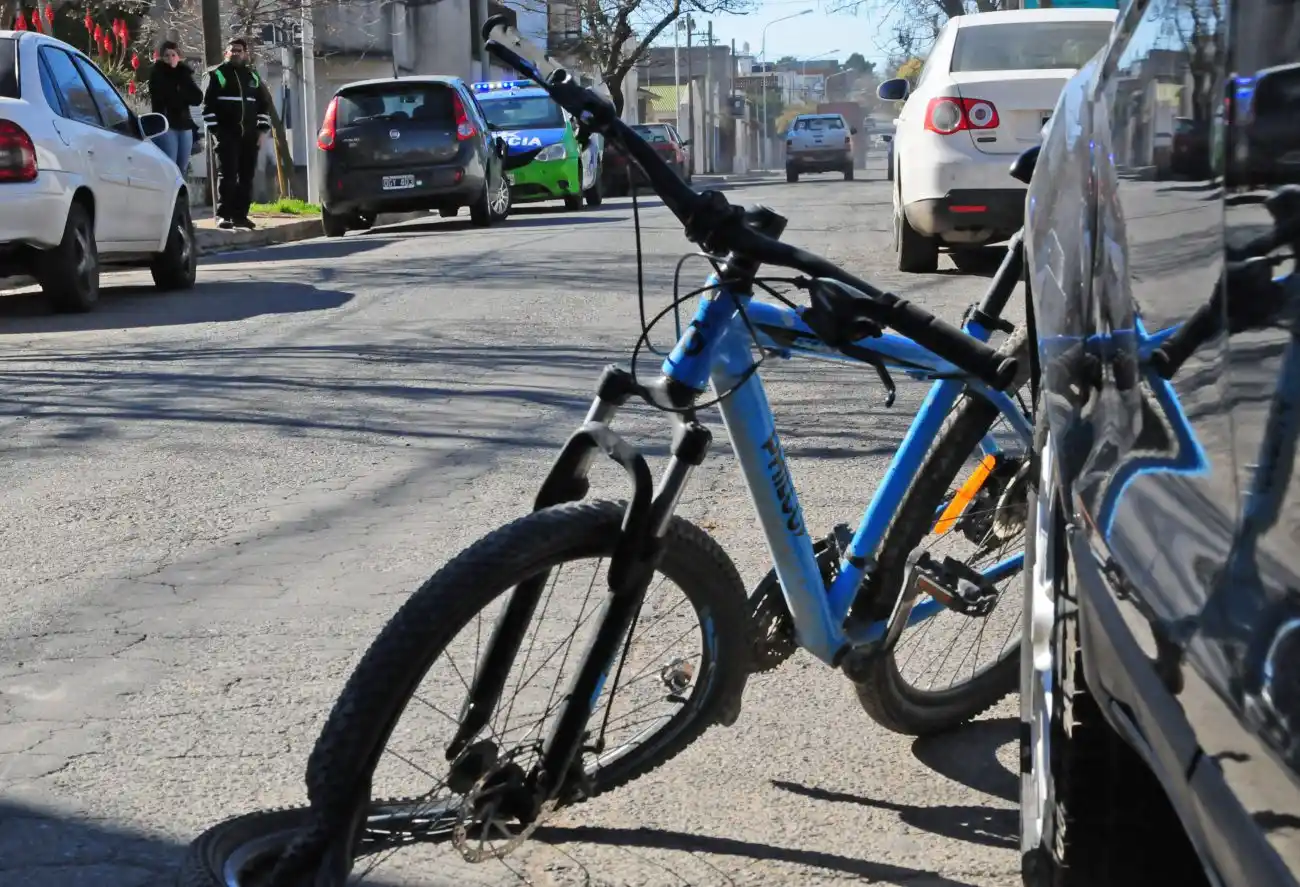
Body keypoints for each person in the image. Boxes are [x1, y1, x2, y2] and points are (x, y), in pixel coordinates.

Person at [201, 37, 272, 230]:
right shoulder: (217, 74)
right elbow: (207, 108)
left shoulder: (252, 76)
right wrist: (217, 132)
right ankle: (223, 215)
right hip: (227, 134)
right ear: (226, 52)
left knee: (246, 176)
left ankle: (241, 216)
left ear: (245, 53)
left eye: (239, 50)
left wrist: (261, 131)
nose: (235, 53)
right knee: (228, 175)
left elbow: (263, 105)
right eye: (232, 50)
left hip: (249, 136)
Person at [148, 41, 202, 178]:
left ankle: (181, 191)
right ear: (162, 58)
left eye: (173, 55)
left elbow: (197, 98)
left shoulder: (184, 74)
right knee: (170, 166)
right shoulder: (158, 74)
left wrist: (181, 92)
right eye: (167, 55)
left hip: (184, 124)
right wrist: (180, 94)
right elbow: (162, 97)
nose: (170, 58)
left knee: (182, 167)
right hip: (167, 125)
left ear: (179, 57)